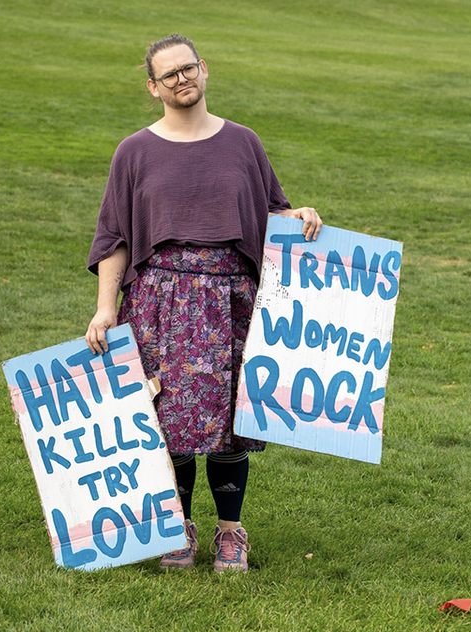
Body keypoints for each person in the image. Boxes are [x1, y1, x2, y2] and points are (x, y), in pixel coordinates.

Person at [84, 33, 322, 573]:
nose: (181, 79)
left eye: (187, 68)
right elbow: (114, 239)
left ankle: (231, 532)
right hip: (159, 299)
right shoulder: (134, 152)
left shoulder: (243, 142)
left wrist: (301, 215)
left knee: (231, 417)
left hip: (233, 297)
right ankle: (178, 527)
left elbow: (271, 216)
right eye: (168, 75)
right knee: (166, 416)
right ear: (153, 87)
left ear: (204, 70)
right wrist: (104, 308)